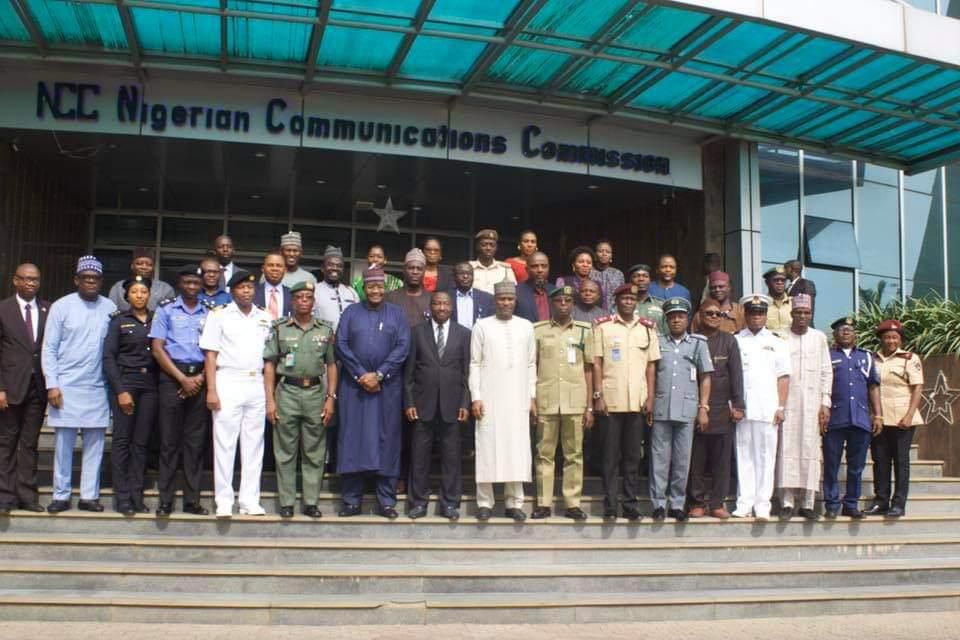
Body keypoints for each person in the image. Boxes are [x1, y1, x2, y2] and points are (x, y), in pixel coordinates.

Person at [43, 256, 117, 513]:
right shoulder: (61, 307)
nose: (90, 282)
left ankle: (88, 496)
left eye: (95, 278)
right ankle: (61, 495)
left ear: (100, 281)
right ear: (77, 280)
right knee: (63, 446)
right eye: (85, 278)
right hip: (66, 387)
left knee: (95, 445)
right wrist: (52, 384)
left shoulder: (110, 307)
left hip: (97, 387)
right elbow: (49, 348)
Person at [335, 266, 410, 519]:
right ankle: (351, 500)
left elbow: (402, 347)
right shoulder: (350, 312)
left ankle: (386, 501)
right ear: (364, 289)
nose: (375, 290)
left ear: (385, 288)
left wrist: (379, 374)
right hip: (354, 388)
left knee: (386, 441)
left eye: (379, 286)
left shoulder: (397, 314)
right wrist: (360, 374)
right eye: (371, 286)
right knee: (353, 439)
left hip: (386, 389)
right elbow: (341, 344)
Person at [201, 270, 272, 518]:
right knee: (225, 444)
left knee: (254, 446)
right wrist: (211, 389)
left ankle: (249, 500)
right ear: (232, 291)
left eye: (250, 288)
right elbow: (210, 354)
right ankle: (223, 500)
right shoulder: (219, 315)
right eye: (241, 288)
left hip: (256, 382)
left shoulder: (264, 316)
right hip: (227, 380)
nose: (246, 291)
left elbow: (270, 357)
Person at [263, 280, 337, 519]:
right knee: (285, 451)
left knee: (314, 452)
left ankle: (311, 502)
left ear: (313, 302)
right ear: (293, 301)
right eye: (299, 297)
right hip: (287, 393)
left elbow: (332, 365)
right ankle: (286, 502)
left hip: (315, 393)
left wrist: (331, 398)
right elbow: (269, 365)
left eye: (308, 297)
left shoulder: (325, 330)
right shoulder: (280, 328)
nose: (304, 301)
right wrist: (270, 401)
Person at [469, 280, 536, 522]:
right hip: (489, 397)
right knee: (488, 446)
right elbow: (474, 363)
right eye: (501, 299)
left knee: (516, 449)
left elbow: (531, 363)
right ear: (495, 301)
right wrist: (476, 396)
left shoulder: (526, 327)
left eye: (509, 299)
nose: (506, 303)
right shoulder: (482, 326)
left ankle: (514, 502)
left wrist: (532, 396)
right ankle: (485, 502)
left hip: (517, 397)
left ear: (515, 301)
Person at [593, 283, 660, 521]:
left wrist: (651, 397)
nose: (629, 302)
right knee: (610, 457)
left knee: (633, 457)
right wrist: (598, 395)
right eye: (625, 298)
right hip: (611, 401)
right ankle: (610, 505)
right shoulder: (603, 327)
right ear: (617, 300)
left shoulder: (647, 329)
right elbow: (597, 363)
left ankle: (630, 505)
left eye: (633, 298)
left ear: (637, 302)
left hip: (637, 402)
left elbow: (651, 366)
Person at [150, 265, 212, 516]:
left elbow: (214, 350)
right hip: (171, 378)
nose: (191, 287)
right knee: (169, 441)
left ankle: (191, 500)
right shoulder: (166, 310)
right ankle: (166, 500)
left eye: (195, 283)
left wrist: (199, 378)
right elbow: (157, 348)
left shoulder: (210, 313)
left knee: (194, 444)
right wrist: (181, 379)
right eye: (187, 283)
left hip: (200, 376)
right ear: (179, 283)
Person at [404, 291, 471, 521]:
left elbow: (467, 373)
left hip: (453, 405)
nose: (441, 308)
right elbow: (409, 373)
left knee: (451, 457)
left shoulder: (464, 334)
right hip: (422, 404)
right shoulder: (416, 332)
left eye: (445, 304)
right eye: (437, 304)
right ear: (430, 306)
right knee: (419, 456)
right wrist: (409, 402)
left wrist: (465, 402)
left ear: (451, 307)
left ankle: (450, 503)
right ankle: (418, 503)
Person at [531, 285, 594, 521]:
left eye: (568, 301)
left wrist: (589, 405)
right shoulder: (538, 331)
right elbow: (532, 367)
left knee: (574, 454)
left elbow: (589, 369)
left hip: (574, 402)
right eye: (559, 301)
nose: (564, 305)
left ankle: (572, 503)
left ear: (573, 304)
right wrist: (533, 400)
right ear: (552, 304)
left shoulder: (584, 331)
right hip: (547, 399)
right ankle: (543, 503)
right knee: (544, 453)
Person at [649, 297, 712, 522]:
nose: (676, 320)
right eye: (672, 316)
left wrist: (703, 407)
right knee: (659, 458)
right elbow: (651, 374)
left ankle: (676, 503)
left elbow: (705, 377)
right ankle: (657, 503)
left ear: (687, 319)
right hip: (661, 408)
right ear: (666, 319)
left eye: (680, 316)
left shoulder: (698, 343)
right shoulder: (657, 342)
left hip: (687, 409)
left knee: (682, 460)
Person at [103, 275, 158, 515]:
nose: (139, 295)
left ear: (149, 295)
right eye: (135, 292)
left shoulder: (157, 319)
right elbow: (108, 357)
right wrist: (121, 390)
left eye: (143, 292)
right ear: (127, 296)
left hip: (150, 384)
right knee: (123, 440)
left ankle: (137, 495)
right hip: (127, 382)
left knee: (141, 443)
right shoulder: (119, 321)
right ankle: (122, 497)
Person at [732, 294, 790, 521]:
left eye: (760, 313)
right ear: (745, 315)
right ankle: (744, 503)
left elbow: (783, 377)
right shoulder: (735, 340)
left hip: (768, 408)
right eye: (752, 313)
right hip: (743, 409)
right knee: (744, 456)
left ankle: (763, 504)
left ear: (766, 315)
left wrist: (781, 406)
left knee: (766, 458)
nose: (756, 317)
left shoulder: (777, 342)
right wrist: (732, 405)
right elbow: (730, 375)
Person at [686, 298, 744, 519]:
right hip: (694, 406)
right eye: (709, 313)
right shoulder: (691, 340)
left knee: (721, 460)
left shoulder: (729, 341)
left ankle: (717, 502)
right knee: (696, 459)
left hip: (722, 408)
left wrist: (739, 405)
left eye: (717, 314)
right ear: (700, 315)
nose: (713, 317)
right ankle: (697, 502)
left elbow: (737, 374)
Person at [777, 294, 832, 521]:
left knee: (810, 449)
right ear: (791, 314)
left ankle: (808, 503)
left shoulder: (819, 338)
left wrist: (825, 403)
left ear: (811, 315)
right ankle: (787, 502)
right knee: (787, 449)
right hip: (788, 403)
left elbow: (826, 371)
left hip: (812, 404)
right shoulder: (781, 337)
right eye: (798, 312)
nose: (802, 316)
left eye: (806, 313)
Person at [823, 316, 883, 519]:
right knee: (831, 464)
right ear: (835, 334)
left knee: (856, 466)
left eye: (849, 329)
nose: (845, 332)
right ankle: (831, 504)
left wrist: (878, 415)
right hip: (835, 418)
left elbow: (873, 386)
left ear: (855, 334)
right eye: (841, 330)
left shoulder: (866, 357)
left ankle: (851, 504)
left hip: (860, 418)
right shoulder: (827, 356)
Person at [0, 263, 48, 514]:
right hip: (10, 388)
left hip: (38, 387)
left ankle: (27, 496)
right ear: (15, 281)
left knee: (29, 443)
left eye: (35, 279)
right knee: (7, 442)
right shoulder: (3, 309)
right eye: (26, 279)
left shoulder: (47, 308)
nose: (31, 283)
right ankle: (5, 496)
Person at [867, 319, 924, 518]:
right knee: (880, 460)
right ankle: (881, 501)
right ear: (881, 339)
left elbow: (917, 388)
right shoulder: (872, 359)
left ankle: (898, 503)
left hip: (902, 418)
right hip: (879, 418)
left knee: (901, 461)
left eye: (894, 337)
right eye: (887, 337)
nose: (891, 341)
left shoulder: (910, 358)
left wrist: (909, 415)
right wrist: (875, 415)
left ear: (900, 339)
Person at [107, 247, 175, 312]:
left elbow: (169, 315)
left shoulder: (165, 289)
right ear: (132, 266)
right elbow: (111, 312)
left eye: (149, 264)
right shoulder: (118, 287)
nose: (144, 267)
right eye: (139, 263)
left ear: (153, 268)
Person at [313, 246, 359, 332]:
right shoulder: (314, 290)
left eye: (339, 266)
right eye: (330, 264)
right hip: (322, 342)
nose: (335, 268)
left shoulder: (351, 292)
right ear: (322, 268)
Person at [386, 248, 432, 327]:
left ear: (424, 271)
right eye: (411, 268)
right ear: (404, 269)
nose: (415, 272)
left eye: (419, 269)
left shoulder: (432, 299)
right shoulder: (390, 297)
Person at [469, 229, 516, 294]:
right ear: (477, 247)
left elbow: (512, 293)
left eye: (492, 245)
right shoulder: (469, 268)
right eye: (484, 244)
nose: (488, 248)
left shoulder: (505, 269)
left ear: (496, 248)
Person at [450, 261, 494, 330]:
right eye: (461, 273)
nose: (465, 276)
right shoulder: (447, 297)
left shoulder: (487, 298)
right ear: (454, 277)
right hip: (454, 339)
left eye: (469, 274)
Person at [627, 264, 666, 334]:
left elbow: (667, 334)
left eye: (645, 276)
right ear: (630, 281)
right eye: (636, 276)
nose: (641, 279)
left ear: (650, 280)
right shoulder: (620, 306)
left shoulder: (661, 305)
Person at [255, 250, 292, 321]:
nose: (275, 269)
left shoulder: (293, 294)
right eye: (270, 265)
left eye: (279, 266)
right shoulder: (252, 292)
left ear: (285, 270)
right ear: (263, 269)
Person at [515, 252, 551, 323]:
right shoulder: (516, 292)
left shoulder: (555, 291)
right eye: (535, 266)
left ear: (548, 268)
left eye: (544, 266)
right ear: (526, 269)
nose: (540, 270)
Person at [590, 240, 624, 312]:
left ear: (611, 256)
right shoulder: (589, 272)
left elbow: (622, 296)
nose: (604, 254)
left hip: (614, 313)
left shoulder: (618, 274)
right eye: (600, 251)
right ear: (595, 254)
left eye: (608, 252)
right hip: (592, 312)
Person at [763, 266, 792, 334]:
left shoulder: (794, 303)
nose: (780, 283)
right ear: (767, 282)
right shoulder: (762, 304)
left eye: (783, 280)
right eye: (776, 280)